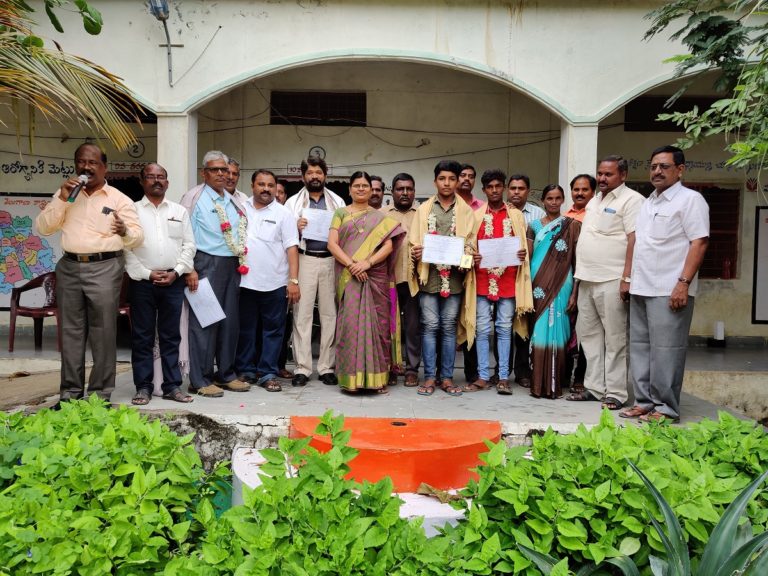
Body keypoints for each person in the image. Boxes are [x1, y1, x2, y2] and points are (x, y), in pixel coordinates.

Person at [35, 143, 143, 403]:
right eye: (82, 162)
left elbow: (137, 237)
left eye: (93, 162)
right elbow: (43, 228)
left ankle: (99, 395)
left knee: (103, 331)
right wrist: (61, 199)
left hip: (105, 266)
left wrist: (124, 231)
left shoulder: (118, 199)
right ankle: (70, 393)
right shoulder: (66, 195)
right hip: (70, 266)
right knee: (70, 331)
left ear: (104, 167)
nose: (86, 167)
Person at [620, 145, 709, 423]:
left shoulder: (690, 200)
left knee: (667, 350)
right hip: (642, 286)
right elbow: (640, 243)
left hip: (669, 289)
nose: (657, 171)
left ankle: (667, 408)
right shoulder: (649, 202)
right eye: (653, 166)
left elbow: (700, 241)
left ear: (680, 170)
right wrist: (628, 279)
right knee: (641, 347)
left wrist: (683, 283)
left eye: (664, 166)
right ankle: (645, 402)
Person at [571, 157, 644, 410]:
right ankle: (593, 388)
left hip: (612, 279)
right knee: (589, 337)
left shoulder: (632, 200)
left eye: (608, 174)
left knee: (615, 339)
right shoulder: (595, 200)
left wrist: (627, 278)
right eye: (600, 173)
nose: (602, 178)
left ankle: (615, 392)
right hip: (587, 278)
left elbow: (635, 240)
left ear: (622, 175)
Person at [181, 150, 251, 396]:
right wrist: (189, 268)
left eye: (224, 169)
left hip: (231, 265)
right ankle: (200, 380)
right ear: (204, 173)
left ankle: (226, 374)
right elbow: (183, 236)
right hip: (204, 264)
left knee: (229, 322)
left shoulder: (232, 200)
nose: (221, 174)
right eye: (215, 170)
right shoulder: (194, 198)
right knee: (205, 322)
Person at [327, 172, 404, 393]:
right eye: (357, 186)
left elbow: (388, 247)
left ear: (372, 190)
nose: (361, 189)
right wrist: (352, 265)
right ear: (350, 189)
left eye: (365, 186)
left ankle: (377, 379)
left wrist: (367, 264)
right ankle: (350, 380)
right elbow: (332, 245)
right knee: (349, 325)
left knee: (377, 327)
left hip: (373, 277)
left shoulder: (381, 217)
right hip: (349, 276)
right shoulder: (340, 213)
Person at [125, 163, 195, 405]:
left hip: (173, 282)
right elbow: (126, 249)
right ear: (142, 181)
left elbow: (189, 246)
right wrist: (146, 274)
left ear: (167, 182)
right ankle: (143, 387)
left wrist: (176, 272)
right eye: (151, 177)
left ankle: (172, 386)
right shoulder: (131, 211)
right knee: (142, 337)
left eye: (161, 177)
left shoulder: (179, 211)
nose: (156, 181)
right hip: (142, 283)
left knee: (171, 336)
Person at [408, 160, 477, 397]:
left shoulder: (466, 212)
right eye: (442, 179)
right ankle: (429, 377)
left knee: (448, 327)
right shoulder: (424, 209)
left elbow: (471, 246)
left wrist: (468, 258)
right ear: (435, 181)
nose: (447, 183)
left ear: (458, 181)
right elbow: (414, 242)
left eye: (451, 179)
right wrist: (416, 252)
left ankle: (446, 377)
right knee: (429, 326)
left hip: (455, 280)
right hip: (429, 277)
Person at [234, 170, 300, 393]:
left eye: (271, 185)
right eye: (261, 184)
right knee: (246, 329)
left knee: (273, 331)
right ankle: (246, 370)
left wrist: (293, 281)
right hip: (245, 281)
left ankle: (268, 372)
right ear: (252, 185)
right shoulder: (240, 209)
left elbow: (292, 247)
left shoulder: (284, 214)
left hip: (275, 282)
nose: (266, 189)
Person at [468, 169, 533, 395]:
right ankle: (484, 376)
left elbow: (523, 244)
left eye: (498, 186)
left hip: (508, 279)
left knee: (504, 328)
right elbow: (468, 246)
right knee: (483, 329)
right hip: (482, 278)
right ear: (484, 190)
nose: (494, 190)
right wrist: (472, 255)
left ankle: (504, 376)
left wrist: (523, 254)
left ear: (503, 188)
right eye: (490, 187)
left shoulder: (515, 215)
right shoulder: (475, 216)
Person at [284, 156, 346, 387]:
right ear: (303, 177)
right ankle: (302, 368)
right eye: (310, 173)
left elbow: (344, 234)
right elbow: (285, 236)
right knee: (302, 315)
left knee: (330, 315)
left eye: (318, 172)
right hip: (305, 259)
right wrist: (296, 228)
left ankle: (327, 367)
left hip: (331, 261)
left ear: (325, 175)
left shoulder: (338, 201)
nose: (314, 176)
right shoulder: (292, 203)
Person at [527, 184, 581, 399]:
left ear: (563, 200)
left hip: (563, 284)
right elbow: (529, 258)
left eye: (558, 198)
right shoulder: (533, 226)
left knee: (560, 330)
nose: (553, 202)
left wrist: (575, 292)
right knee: (539, 330)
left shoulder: (572, 226)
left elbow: (577, 262)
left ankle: (556, 383)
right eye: (549, 198)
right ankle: (538, 384)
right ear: (543, 201)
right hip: (537, 283)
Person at [381, 173, 421, 387]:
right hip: (388, 280)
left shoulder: (423, 214)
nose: (405, 193)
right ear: (392, 191)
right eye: (400, 189)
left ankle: (412, 369)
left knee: (413, 326)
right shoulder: (382, 214)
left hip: (414, 281)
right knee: (389, 326)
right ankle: (390, 368)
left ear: (414, 191)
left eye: (409, 189)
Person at [506, 174, 543, 389]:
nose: (516, 192)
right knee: (502, 328)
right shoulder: (500, 212)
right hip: (503, 278)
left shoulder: (538, 214)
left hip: (529, 277)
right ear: (507, 190)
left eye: (521, 188)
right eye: (513, 188)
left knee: (523, 327)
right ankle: (502, 372)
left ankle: (522, 372)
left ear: (528, 191)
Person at [563, 173, 596, 393]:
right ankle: (564, 375)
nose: (580, 193)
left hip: (588, 280)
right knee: (566, 329)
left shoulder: (595, 216)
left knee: (586, 332)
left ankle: (581, 376)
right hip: (565, 282)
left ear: (593, 192)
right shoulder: (564, 217)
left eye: (585, 189)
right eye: (576, 189)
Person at [454, 163, 485, 384]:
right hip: (446, 273)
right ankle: (439, 372)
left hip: (474, 273)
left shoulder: (481, 208)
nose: (466, 179)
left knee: (469, 319)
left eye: (471, 176)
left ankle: (471, 372)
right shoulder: (444, 205)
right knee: (445, 323)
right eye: (462, 176)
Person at [274, 178, 293, 378]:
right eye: (274, 190)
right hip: (257, 280)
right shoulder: (249, 211)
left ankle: (279, 365)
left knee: (282, 324)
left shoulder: (287, 215)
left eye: (280, 192)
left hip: (284, 277)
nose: (276, 194)